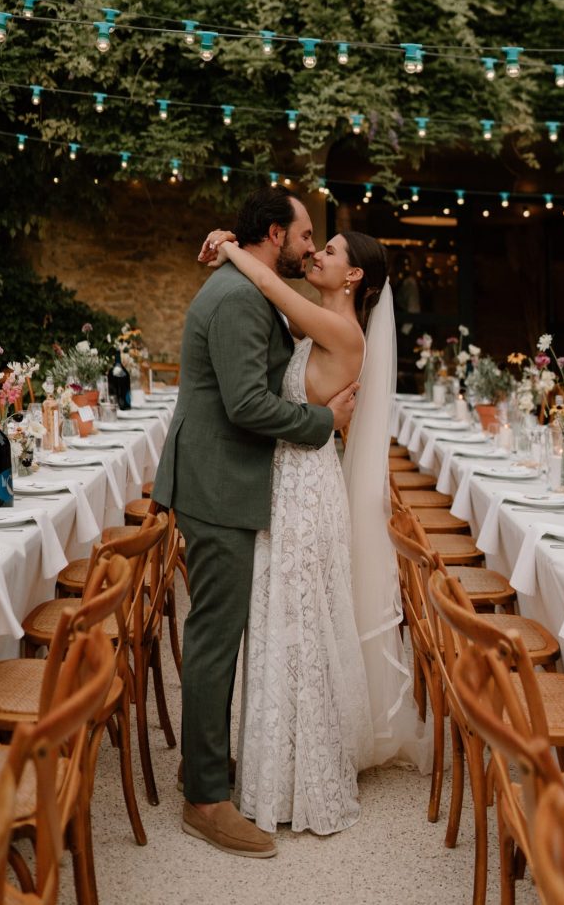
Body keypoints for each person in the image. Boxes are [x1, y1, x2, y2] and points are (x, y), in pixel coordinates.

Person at [200, 220, 429, 836]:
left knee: (298, 622)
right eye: (316, 244)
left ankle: (306, 777)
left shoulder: (341, 328)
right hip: (293, 482)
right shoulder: (317, 322)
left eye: (329, 250)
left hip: (306, 489)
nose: (318, 253)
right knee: (283, 620)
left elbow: (271, 286)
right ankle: (277, 768)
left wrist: (228, 248)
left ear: (354, 275)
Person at [152, 188, 358, 860]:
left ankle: (201, 765)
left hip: (223, 477)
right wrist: (324, 424)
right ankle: (206, 802)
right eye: (304, 236)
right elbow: (244, 404)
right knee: (216, 634)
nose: (309, 247)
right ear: (276, 233)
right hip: (218, 481)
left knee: (219, 629)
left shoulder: (250, 285)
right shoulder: (240, 299)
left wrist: (232, 247)